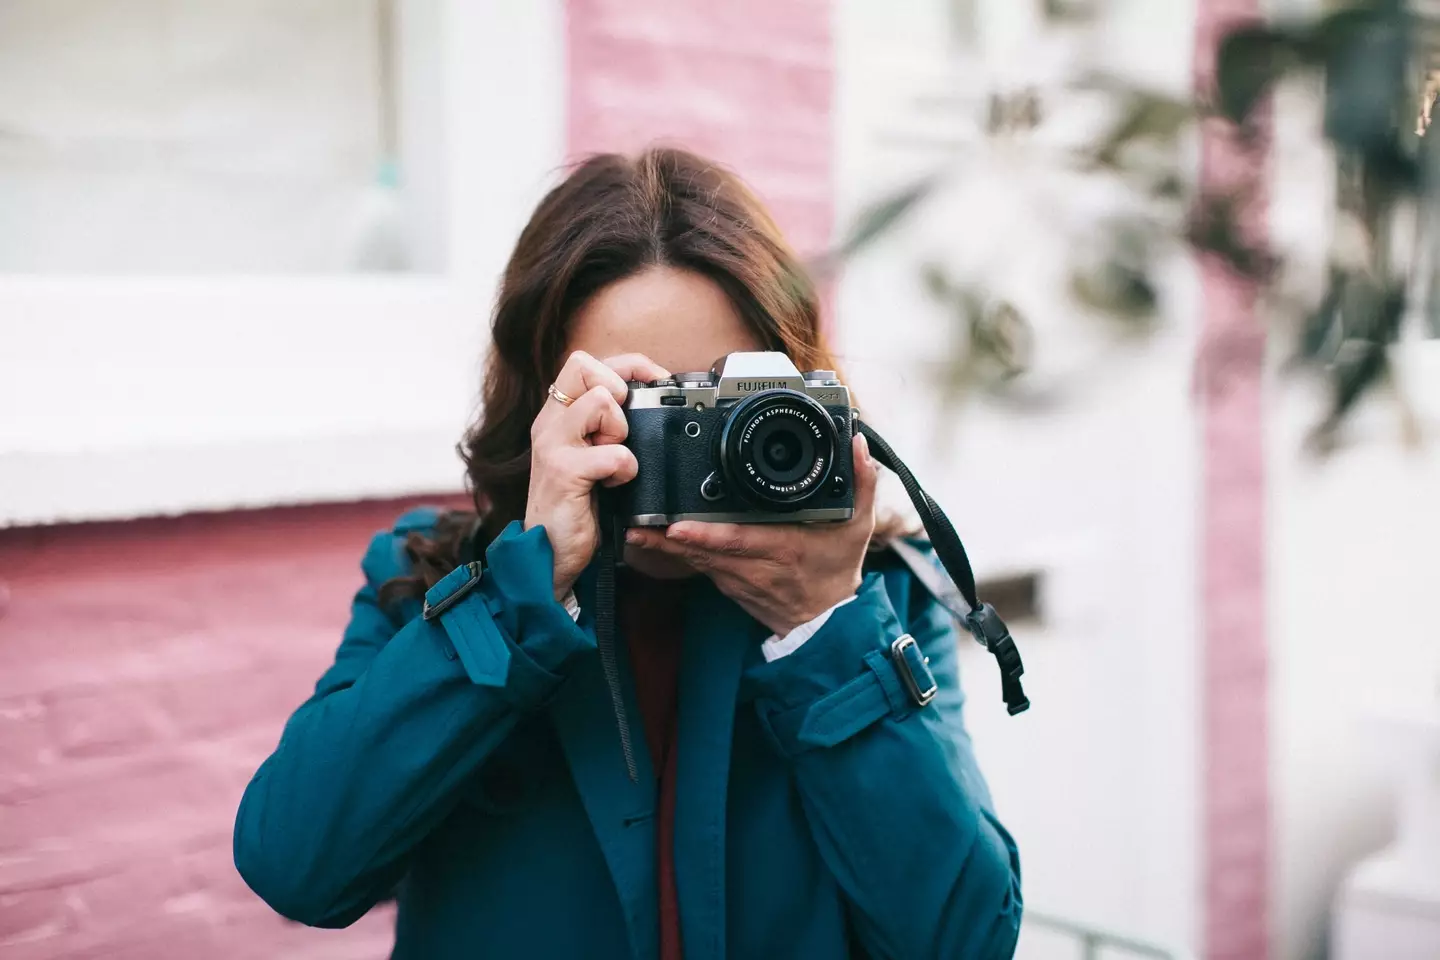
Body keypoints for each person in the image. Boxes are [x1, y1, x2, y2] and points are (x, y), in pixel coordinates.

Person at [233, 147, 1022, 959]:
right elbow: (296, 869)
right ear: (545, 409)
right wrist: (518, 600)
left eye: (726, 402)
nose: (695, 451)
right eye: (650, 407)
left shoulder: (878, 589)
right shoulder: (436, 580)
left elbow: (964, 943)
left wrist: (821, 627)